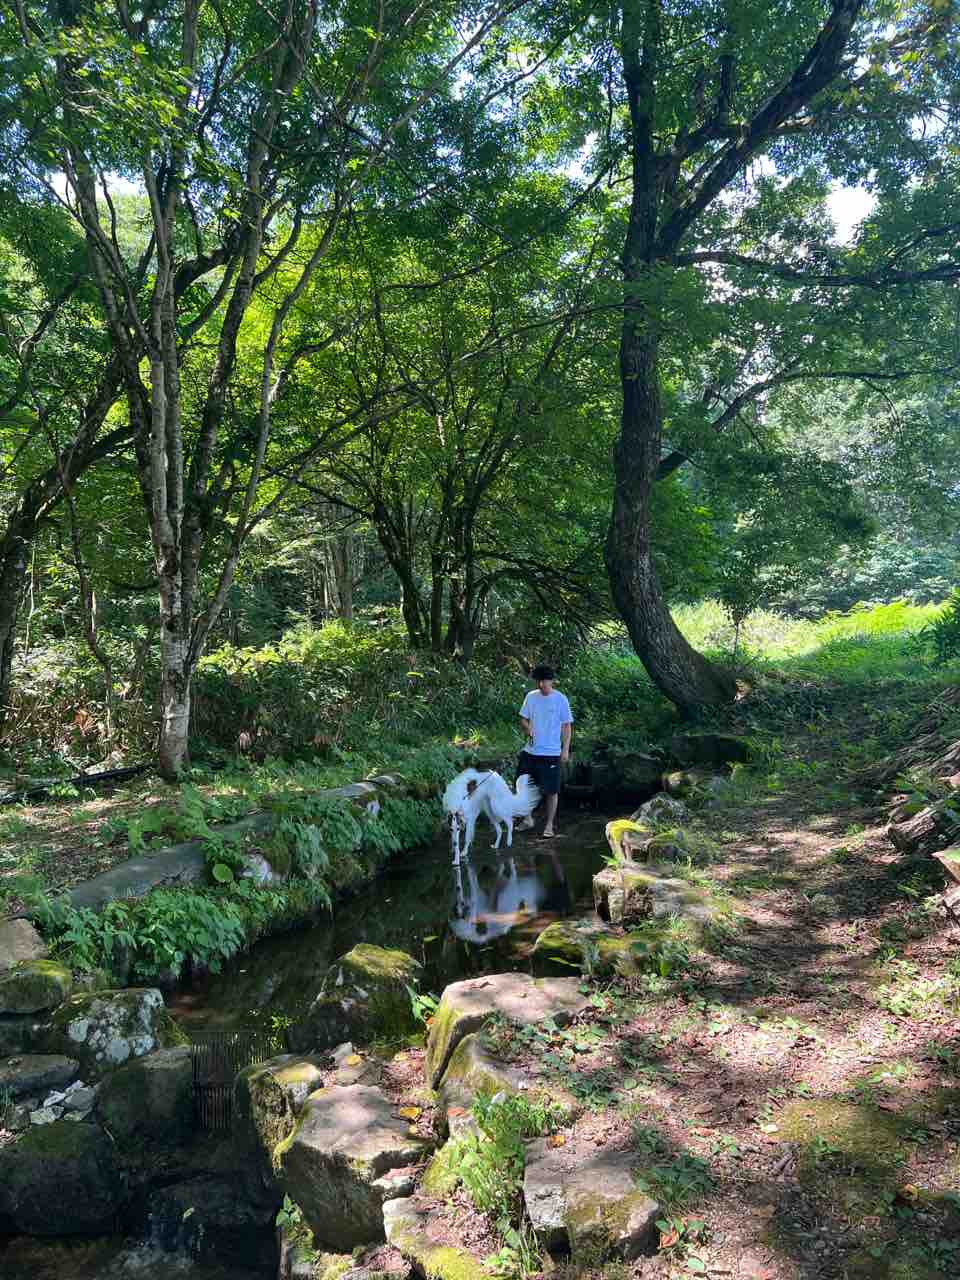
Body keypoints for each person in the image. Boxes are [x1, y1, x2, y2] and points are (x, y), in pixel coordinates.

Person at [517, 664, 573, 839]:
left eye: (545, 681)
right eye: (539, 681)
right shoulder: (531, 697)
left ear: (551, 681)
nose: (541, 685)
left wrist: (565, 750)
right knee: (521, 785)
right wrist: (528, 729)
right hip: (530, 751)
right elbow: (523, 719)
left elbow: (567, 726)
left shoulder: (561, 699)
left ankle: (549, 825)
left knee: (551, 791)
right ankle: (528, 819)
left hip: (551, 753)